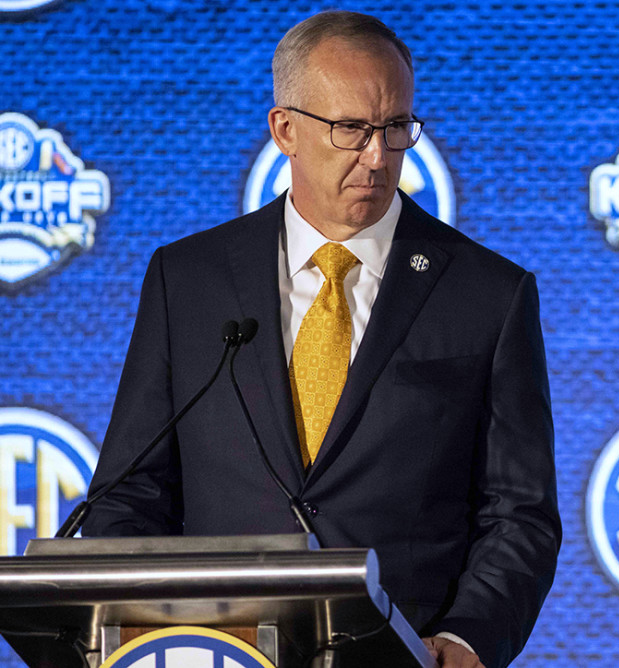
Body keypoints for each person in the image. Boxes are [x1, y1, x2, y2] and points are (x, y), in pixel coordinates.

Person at [82, 11, 560, 668]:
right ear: (285, 130)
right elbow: (130, 492)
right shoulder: (187, 281)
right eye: (351, 129)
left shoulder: (488, 294)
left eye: (396, 129)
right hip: (216, 652)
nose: (377, 155)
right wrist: (137, 634)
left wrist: (468, 638)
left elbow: (520, 514)